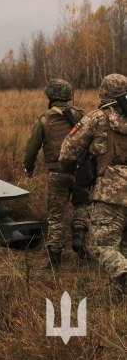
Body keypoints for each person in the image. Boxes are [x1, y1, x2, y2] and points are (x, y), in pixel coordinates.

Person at [59, 74, 127, 300]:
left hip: (109, 192)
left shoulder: (97, 118)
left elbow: (68, 152)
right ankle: (118, 301)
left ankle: (124, 273)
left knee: (103, 244)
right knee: (123, 248)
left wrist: (72, 168)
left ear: (103, 92)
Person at [24, 78, 88, 268]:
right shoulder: (81, 115)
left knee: (56, 216)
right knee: (81, 205)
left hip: (57, 174)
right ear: (68, 95)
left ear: (50, 96)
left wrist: (29, 168)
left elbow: (30, 149)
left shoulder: (44, 119)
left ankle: (54, 261)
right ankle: (79, 237)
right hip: (80, 173)